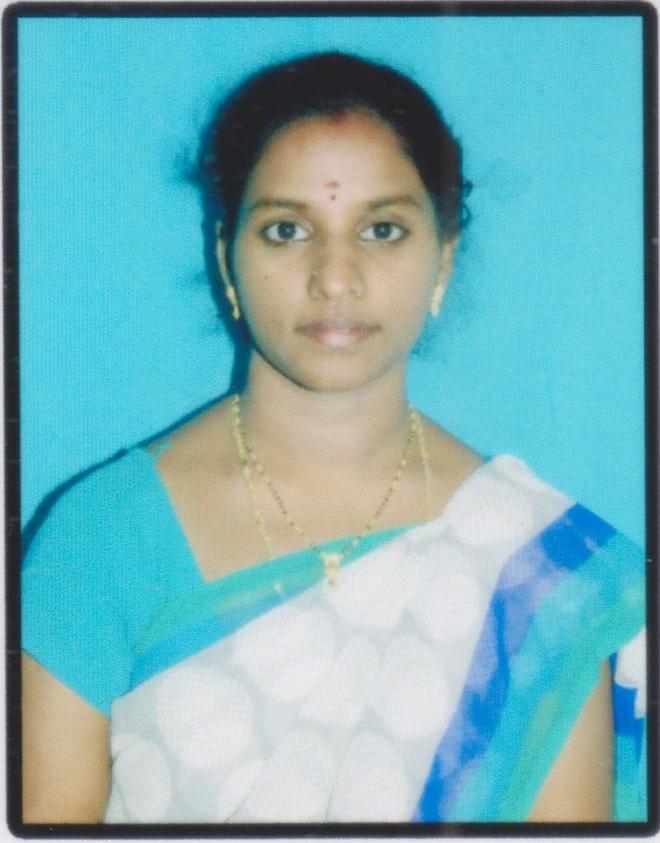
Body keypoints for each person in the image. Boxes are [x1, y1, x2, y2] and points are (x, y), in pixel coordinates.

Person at [21, 51, 646, 824]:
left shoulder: (534, 571)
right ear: (226, 259)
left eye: (382, 230)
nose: (335, 276)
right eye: (287, 230)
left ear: (443, 260)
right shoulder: (98, 538)